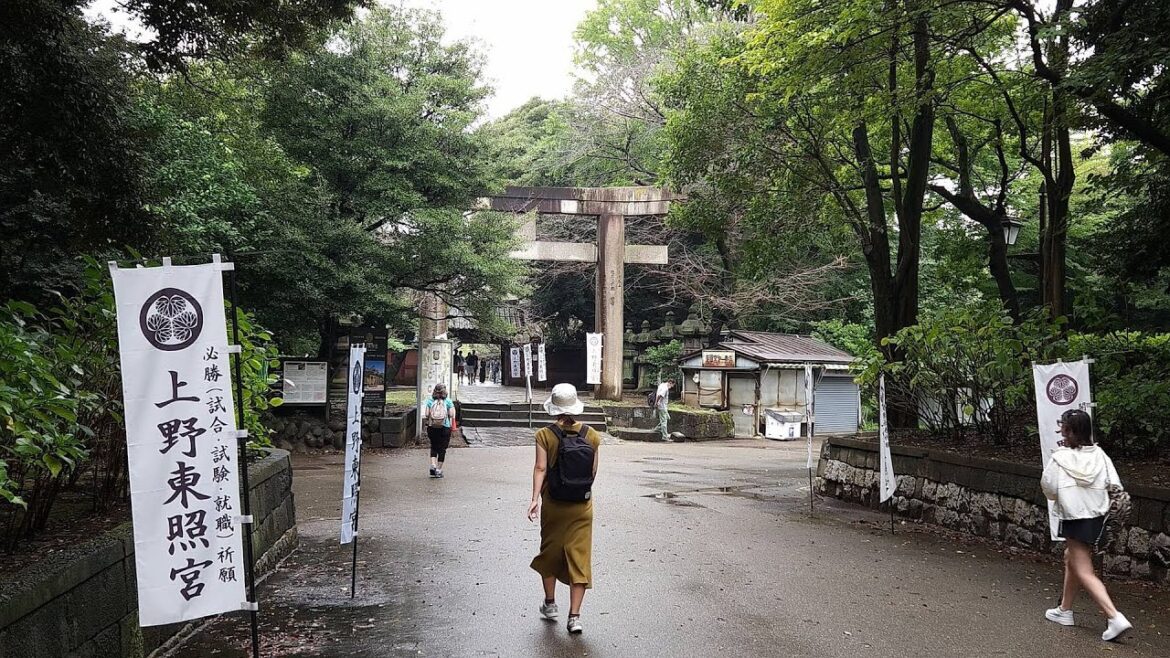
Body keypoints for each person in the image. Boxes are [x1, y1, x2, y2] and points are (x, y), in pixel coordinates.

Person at [1041, 409, 1132, 642]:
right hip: (1097, 517)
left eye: (1063, 426)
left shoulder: (1060, 457)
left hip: (1074, 517)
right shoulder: (1100, 455)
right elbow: (1115, 484)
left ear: (1068, 430)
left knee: (1084, 570)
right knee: (1070, 557)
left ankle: (1114, 617)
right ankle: (1064, 610)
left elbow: (1048, 488)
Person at [527, 383, 601, 635]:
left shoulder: (544, 435)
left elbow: (540, 468)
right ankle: (575, 618)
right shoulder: (592, 435)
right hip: (582, 506)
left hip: (554, 504)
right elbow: (592, 472)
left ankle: (550, 604)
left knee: (550, 552)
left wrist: (535, 498)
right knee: (579, 558)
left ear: (554, 408)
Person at [424, 384, 455, 478]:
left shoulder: (430, 401)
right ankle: (438, 469)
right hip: (445, 427)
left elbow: (426, 414)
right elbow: (451, 414)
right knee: (442, 448)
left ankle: (433, 465)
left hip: (432, 426)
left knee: (434, 446)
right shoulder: (448, 401)